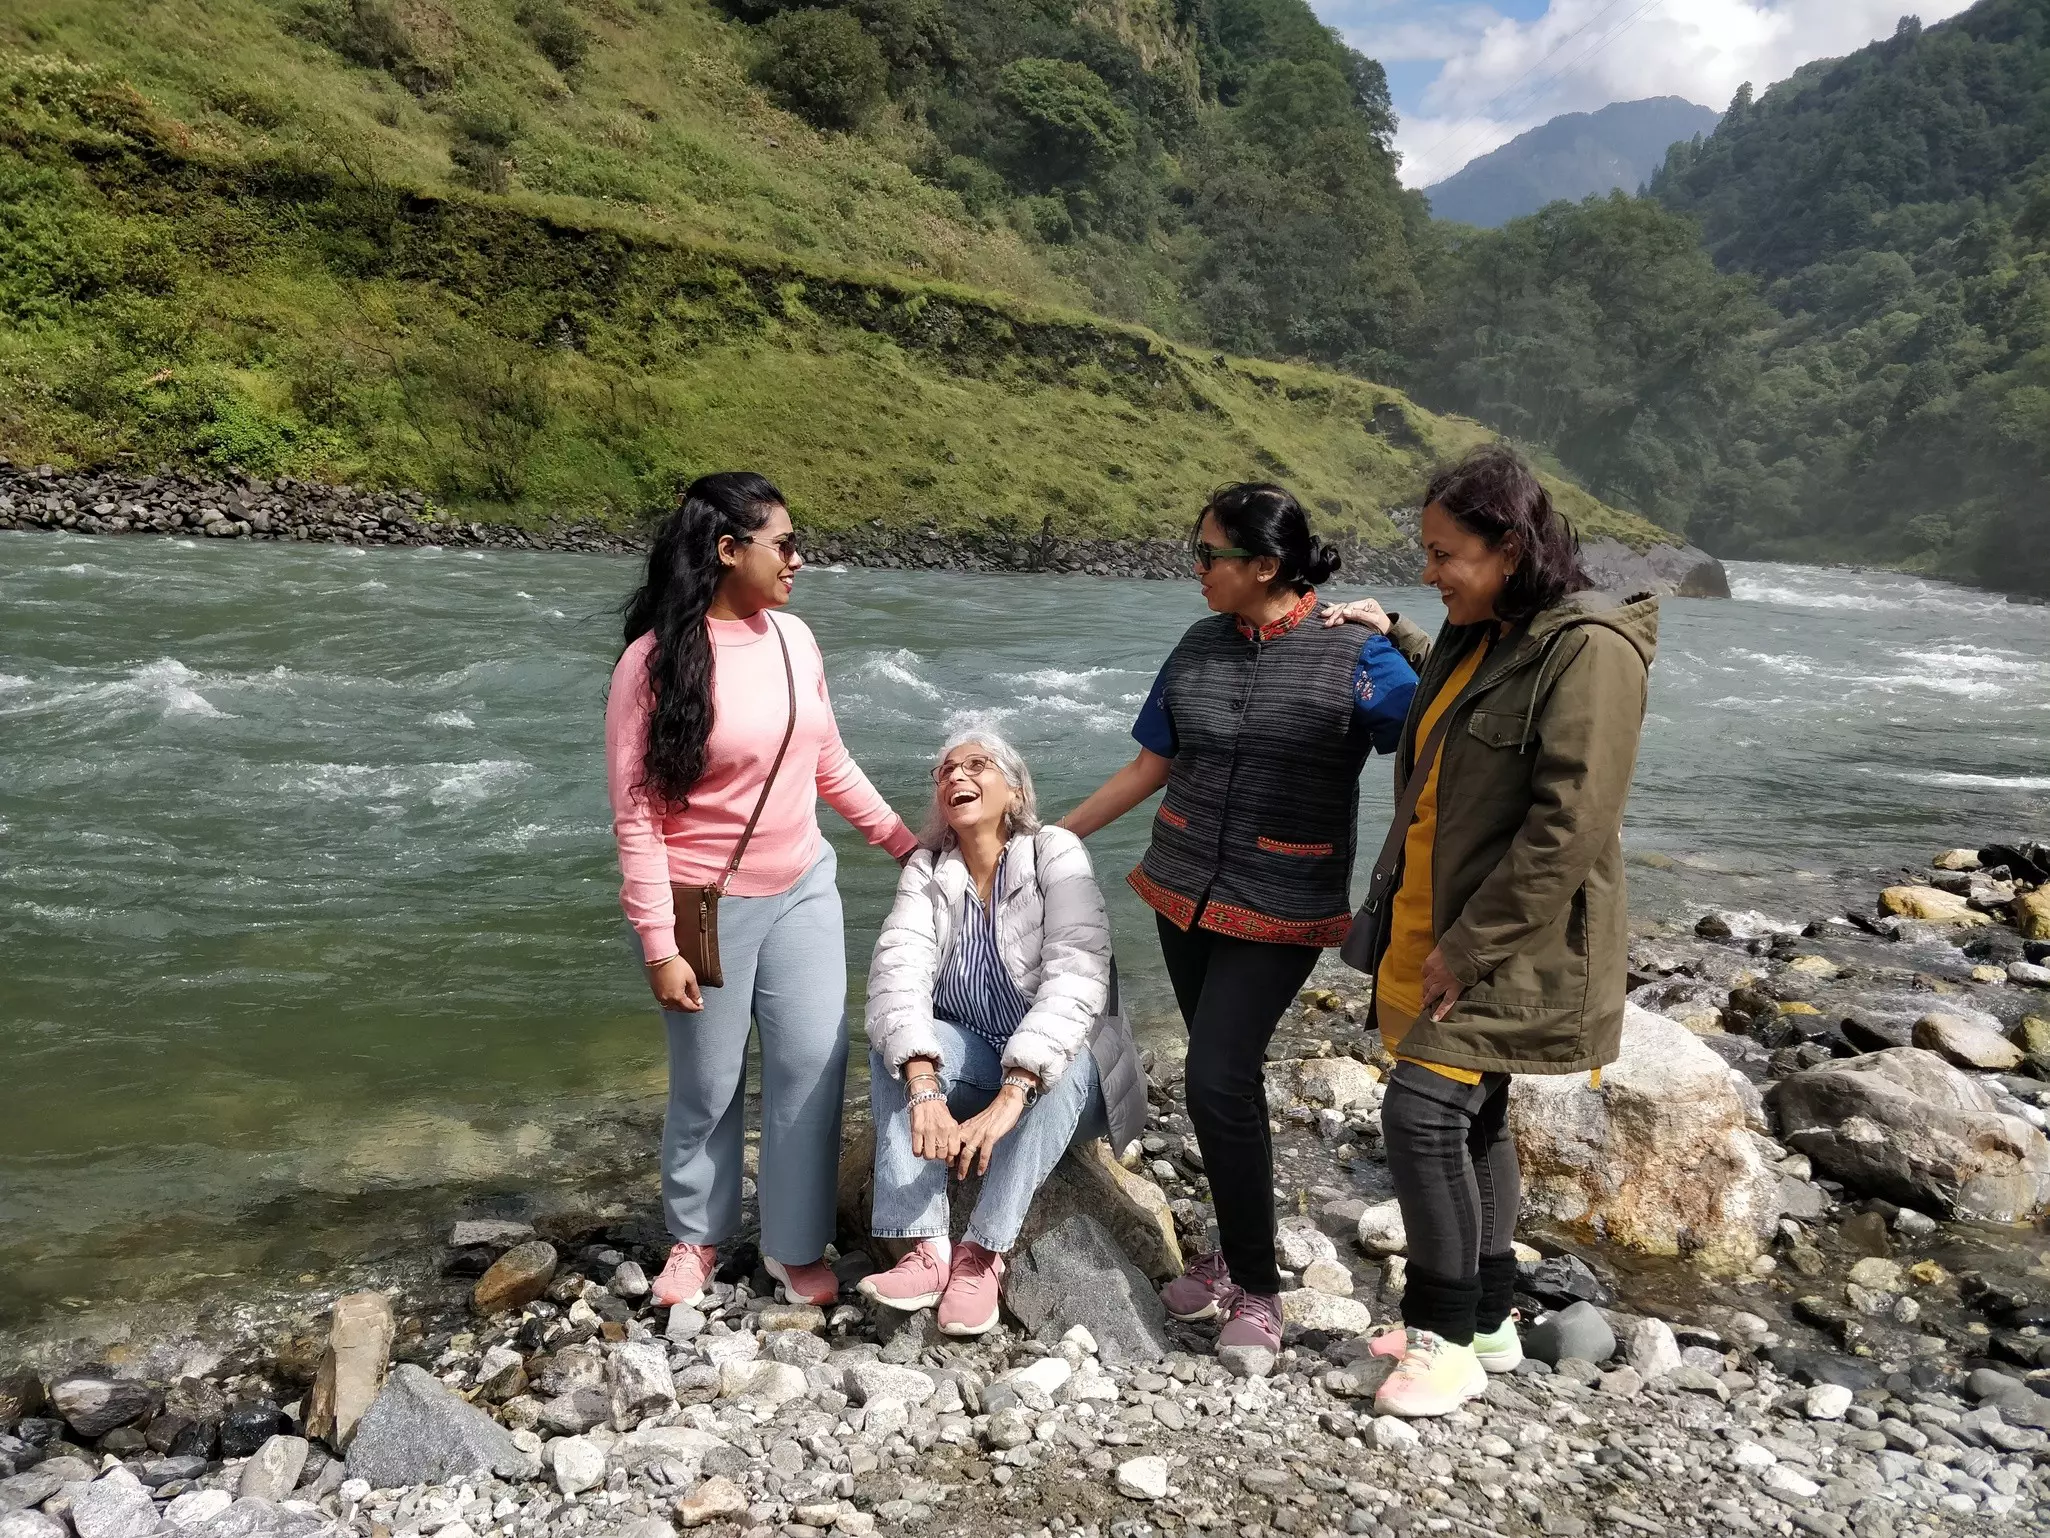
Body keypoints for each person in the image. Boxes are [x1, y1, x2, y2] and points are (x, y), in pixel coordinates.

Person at [1326, 443, 1657, 1418]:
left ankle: (1438, 1338)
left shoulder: (1588, 644)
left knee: (1420, 1114)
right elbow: (1467, 702)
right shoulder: (1490, 631)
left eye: (1443, 554)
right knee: (1475, 1116)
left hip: (1506, 936)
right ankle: (1486, 1319)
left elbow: (1572, 820)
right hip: (1442, 917)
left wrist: (1467, 948)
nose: (1429, 573)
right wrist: (1392, 628)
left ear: (1509, 547)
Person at [1060, 483, 1418, 1354]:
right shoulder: (1199, 644)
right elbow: (1152, 763)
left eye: (1212, 556)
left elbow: (1445, 735)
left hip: (1282, 901)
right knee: (1226, 1091)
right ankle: (1230, 1255)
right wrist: (1049, 838)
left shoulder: (1356, 656)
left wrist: (1402, 633)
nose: (1197, 570)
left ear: (1267, 566)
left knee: (1219, 1076)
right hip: (1181, 890)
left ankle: (1259, 1292)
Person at [607, 471, 919, 1312]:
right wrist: (657, 944)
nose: (799, 559)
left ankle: (790, 1245)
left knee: (812, 1070)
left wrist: (902, 843)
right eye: (784, 544)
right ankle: (696, 1239)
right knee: (707, 1089)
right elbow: (637, 817)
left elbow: (827, 760)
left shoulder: (794, 640)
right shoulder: (651, 663)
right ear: (726, 549)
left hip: (805, 888)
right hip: (705, 903)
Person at [860, 731, 1147, 1335]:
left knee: (1063, 1060)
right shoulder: (927, 868)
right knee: (895, 1042)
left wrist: (1014, 1095)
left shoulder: (1055, 852)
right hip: (979, 1058)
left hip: (1069, 1075)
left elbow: (1076, 978)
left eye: (975, 764)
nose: (954, 776)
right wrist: (923, 1086)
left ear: (1015, 790)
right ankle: (926, 1246)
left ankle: (982, 1253)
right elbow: (897, 974)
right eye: (944, 770)